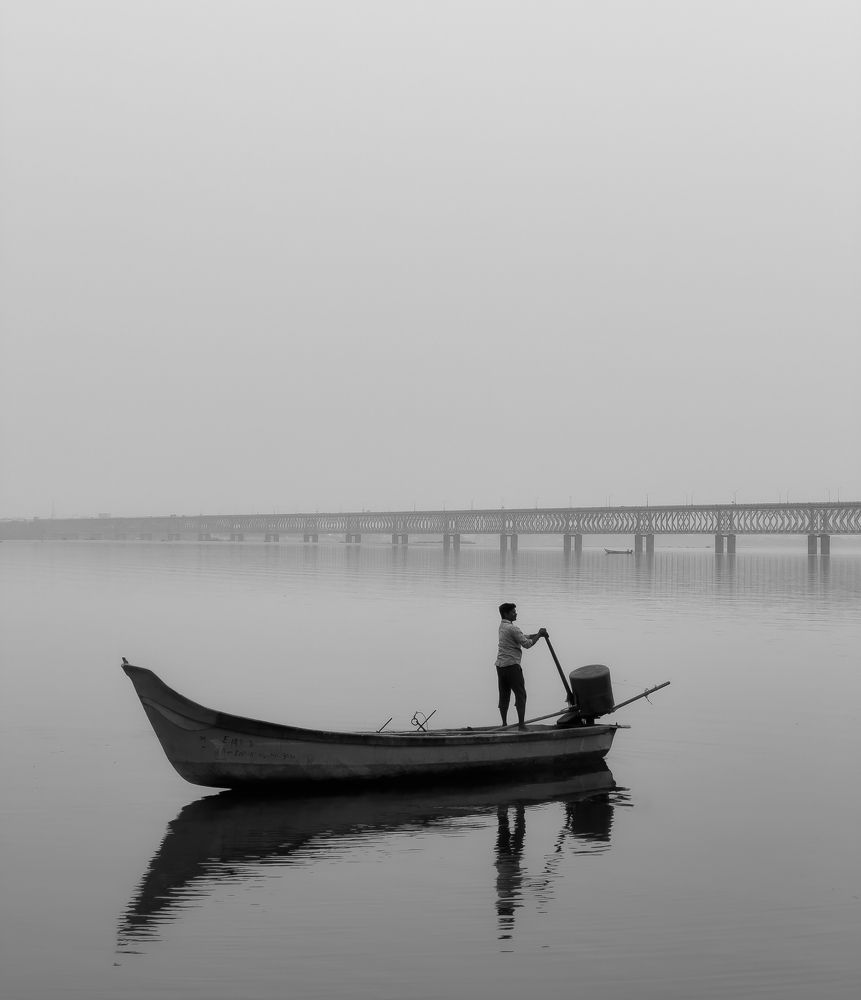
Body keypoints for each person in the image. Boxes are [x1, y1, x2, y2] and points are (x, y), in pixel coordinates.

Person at [495, 603, 548, 729]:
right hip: (512, 666)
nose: (516, 613)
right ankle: (521, 726)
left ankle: (504, 725)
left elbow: (522, 637)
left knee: (504, 695)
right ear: (506, 614)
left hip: (500, 666)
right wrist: (539, 635)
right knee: (521, 695)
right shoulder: (512, 628)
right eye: (513, 612)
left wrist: (538, 634)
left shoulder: (502, 626)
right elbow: (527, 644)